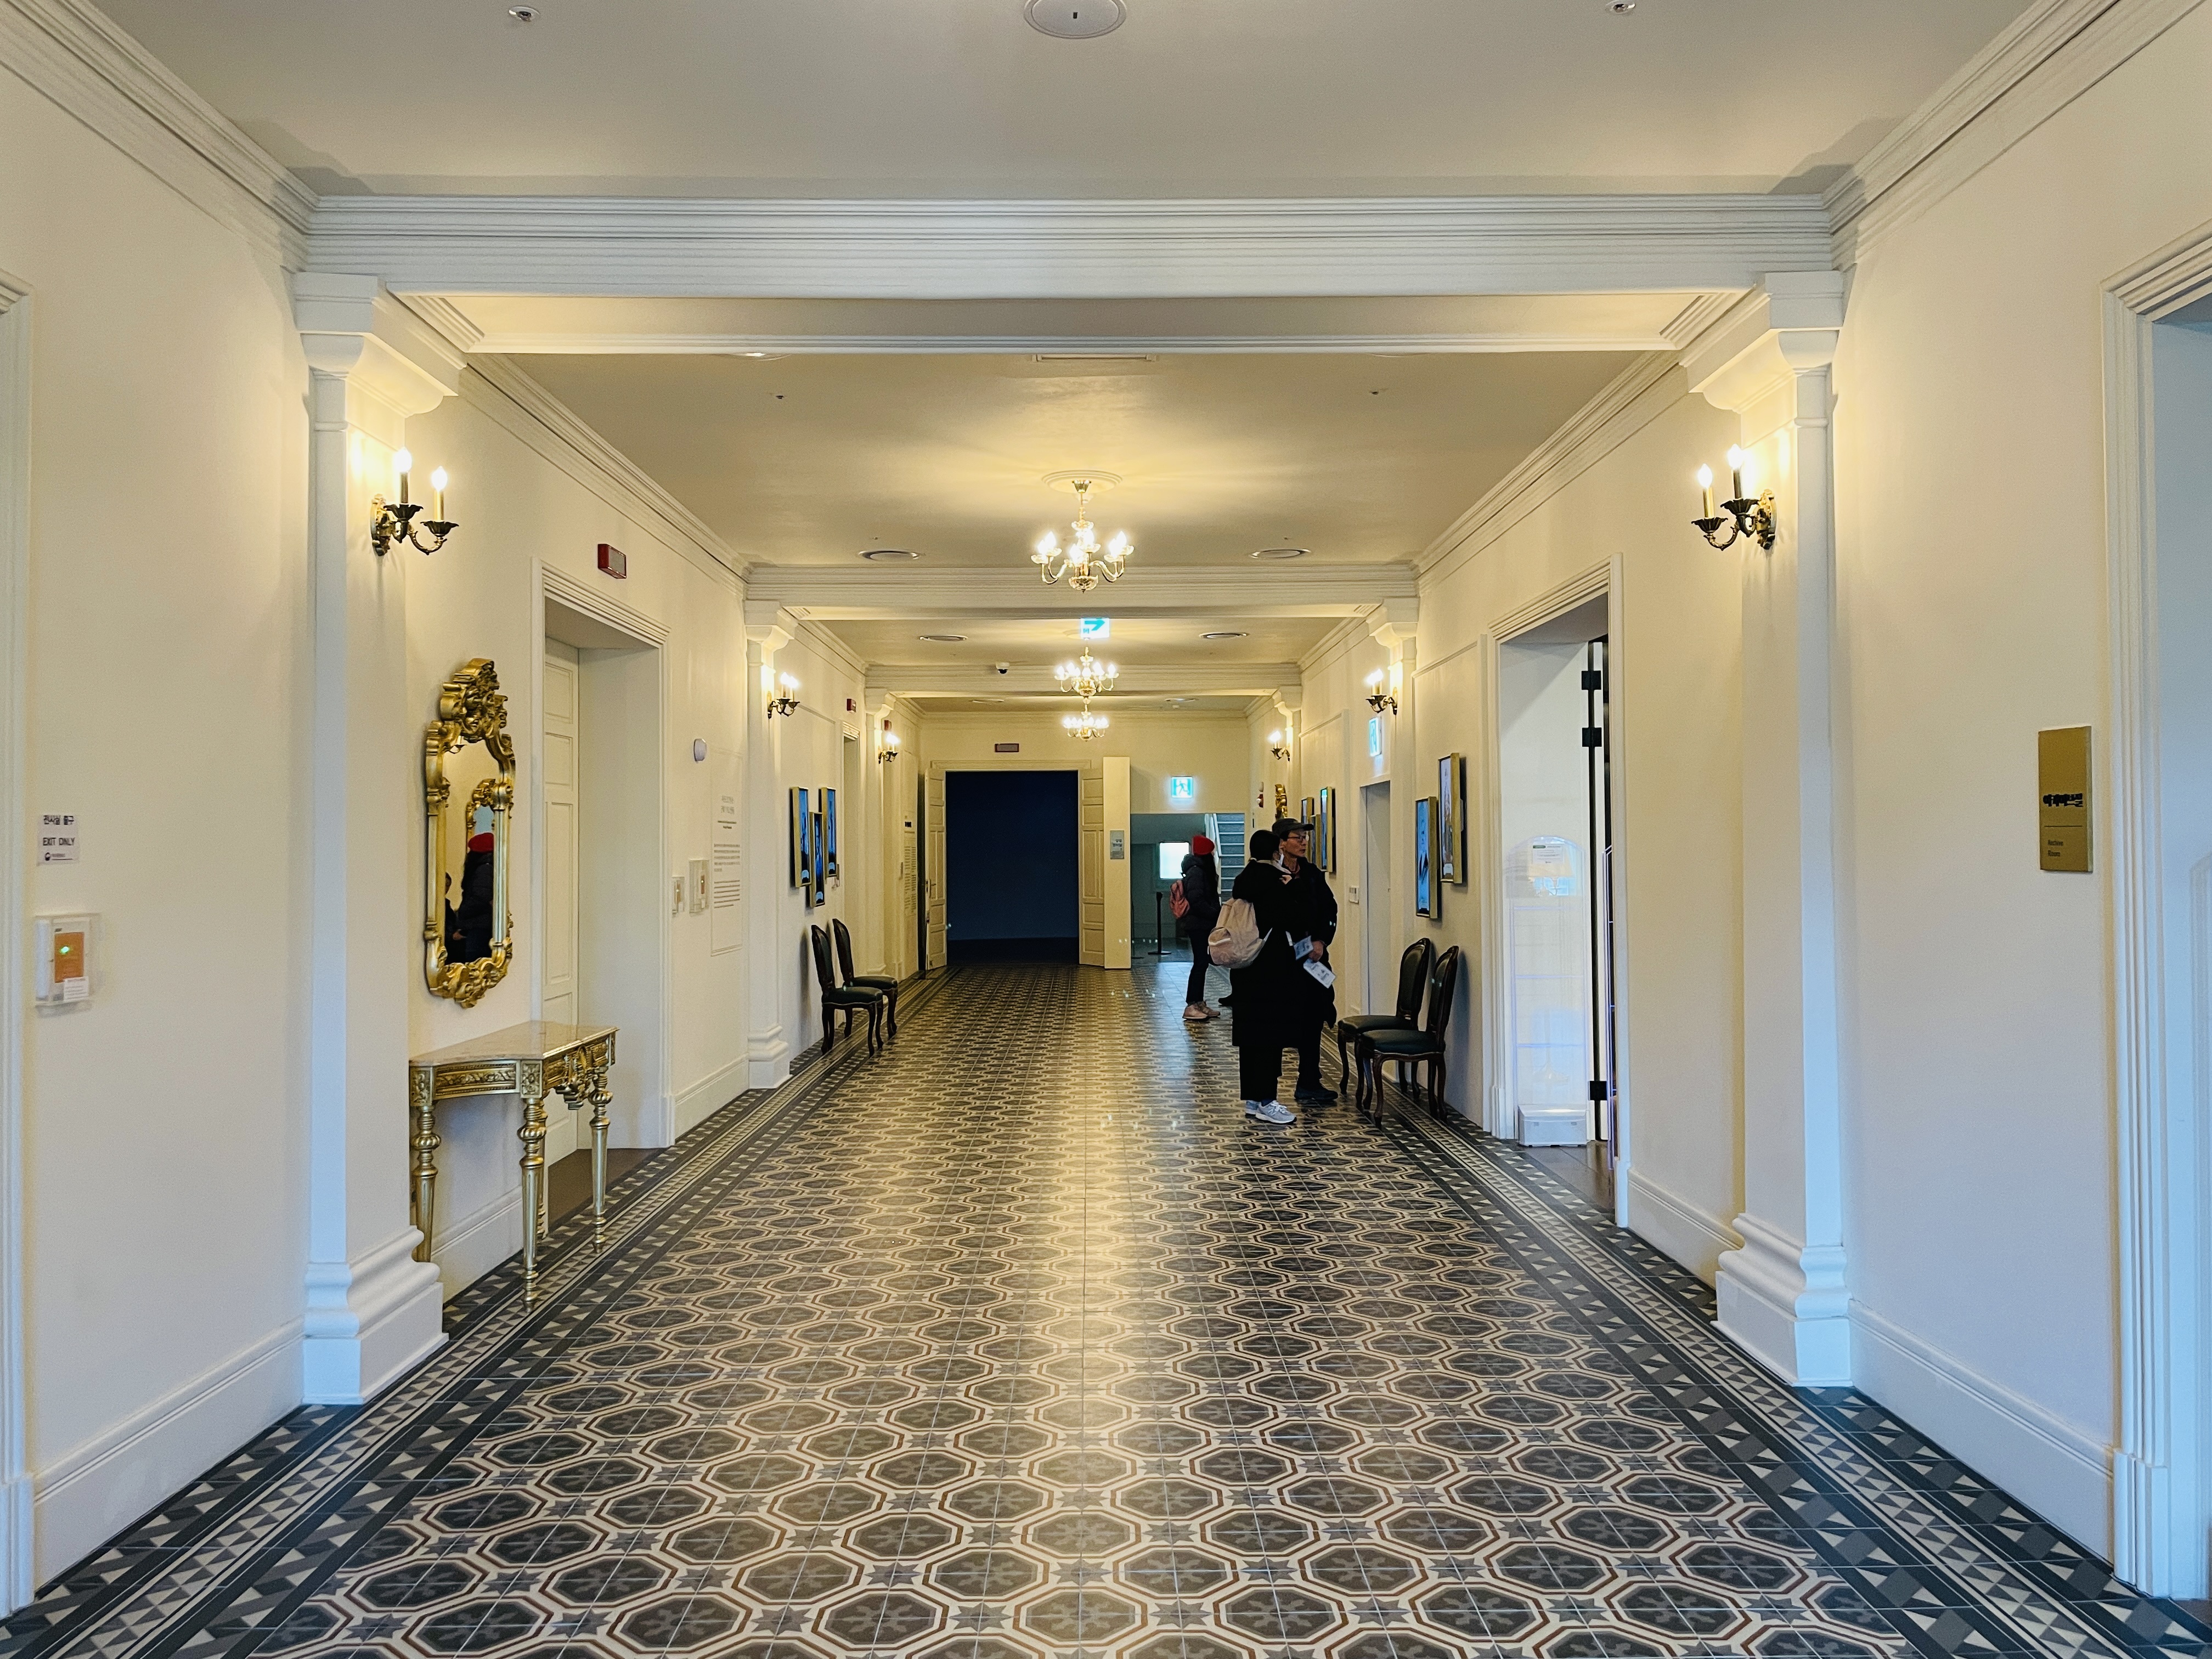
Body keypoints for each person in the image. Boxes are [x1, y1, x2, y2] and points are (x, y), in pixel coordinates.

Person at [1228, 828, 1331, 1125]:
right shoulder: (1273, 882)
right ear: (1276, 852)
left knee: (1251, 1039)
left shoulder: (1244, 879)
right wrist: (1294, 888)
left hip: (1246, 971)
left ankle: (1252, 1099)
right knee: (1269, 1038)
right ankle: (1267, 1101)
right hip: (1272, 973)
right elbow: (1297, 918)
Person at [1273, 815, 1340, 1104]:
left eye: (1305, 837)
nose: (1303, 842)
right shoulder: (1270, 874)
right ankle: (1267, 1091)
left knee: (1314, 1016)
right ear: (1281, 843)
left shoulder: (1312, 873)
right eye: (1297, 838)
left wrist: (1321, 941)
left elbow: (1329, 909)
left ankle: (1309, 1080)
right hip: (1282, 961)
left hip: (1313, 958)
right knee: (1281, 1022)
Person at [1178, 834, 1221, 1021]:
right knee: (1200, 964)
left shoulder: (1197, 870)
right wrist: (1215, 914)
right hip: (1198, 925)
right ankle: (1192, 1005)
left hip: (1201, 924)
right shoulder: (1197, 872)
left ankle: (1199, 1002)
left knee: (1202, 964)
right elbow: (1197, 900)